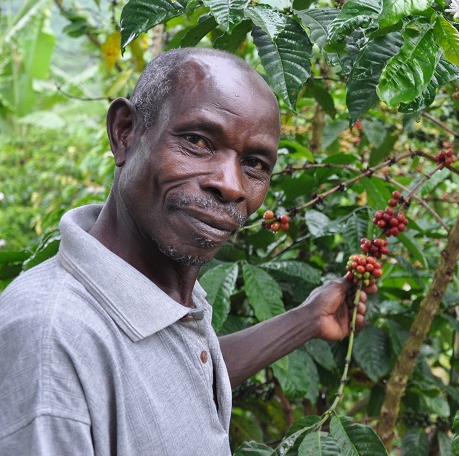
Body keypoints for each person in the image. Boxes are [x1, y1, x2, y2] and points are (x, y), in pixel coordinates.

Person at [0, 48, 376, 454]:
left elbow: (172, 385)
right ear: (125, 132)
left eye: (254, 163)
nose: (231, 185)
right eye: (198, 141)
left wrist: (307, 320)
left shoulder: (156, 291)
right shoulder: (51, 338)